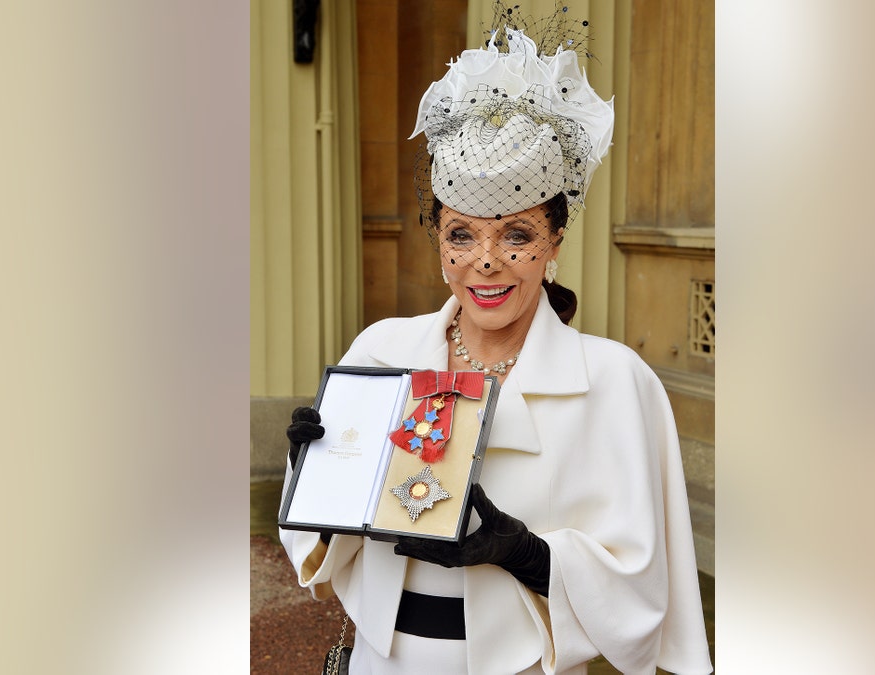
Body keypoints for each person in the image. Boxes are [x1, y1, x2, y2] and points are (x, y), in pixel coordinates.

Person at [280, 11, 711, 675]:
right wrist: (310, 469)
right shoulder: (378, 355)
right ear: (436, 238)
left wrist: (526, 553)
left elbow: (641, 582)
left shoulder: (615, 382)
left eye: (516, 235)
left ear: (555, 241)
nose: (487, 261)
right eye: (462, 235)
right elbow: (324, 541)